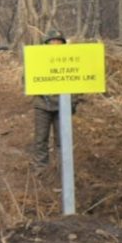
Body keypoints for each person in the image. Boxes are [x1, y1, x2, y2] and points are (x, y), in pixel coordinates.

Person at [30, 30, 77, 171]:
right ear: (46, 44)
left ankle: (63, 170)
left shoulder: (71, 61)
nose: (55, 45)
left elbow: (77, 84)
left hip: (63, 107)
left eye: (58, 42)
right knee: (40, 139)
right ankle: (40, 169)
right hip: (42, 105)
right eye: (52, 42)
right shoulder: (37, 60)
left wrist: (73, 103)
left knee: (63, 141)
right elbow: (27, 80)